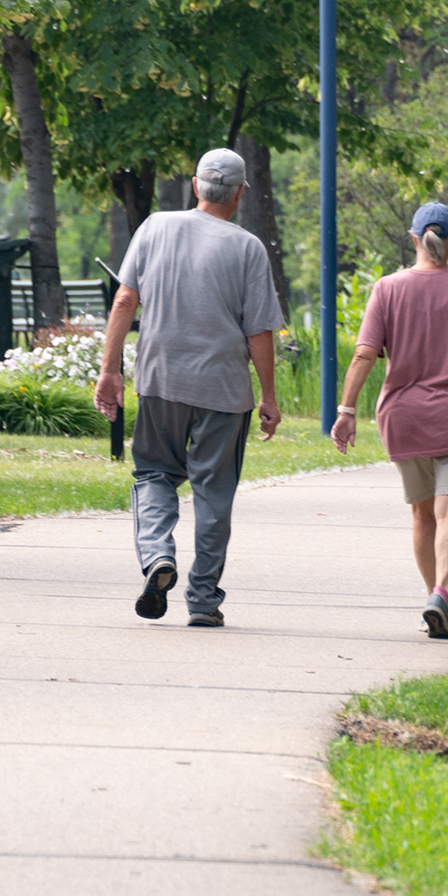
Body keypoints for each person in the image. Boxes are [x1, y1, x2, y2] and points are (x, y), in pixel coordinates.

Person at [94, 147, 284, 628]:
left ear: (196, 186)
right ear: (239, 194)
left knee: (154, 473)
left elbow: (124, 299)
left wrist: (110, 371)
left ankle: (158, 556)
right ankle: (202, 601)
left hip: (161, 381)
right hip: (223, 391)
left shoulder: (155, 226)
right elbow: (259, 331)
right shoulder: (248, 248)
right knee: (214, 494)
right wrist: (269, 396)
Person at [331, 201, 448, 639]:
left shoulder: (387, 289)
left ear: (413, 238)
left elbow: (364, 353)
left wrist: (346, 410)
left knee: (421, 515)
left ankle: (431, 593)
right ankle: (441, 593)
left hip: (404, 417)